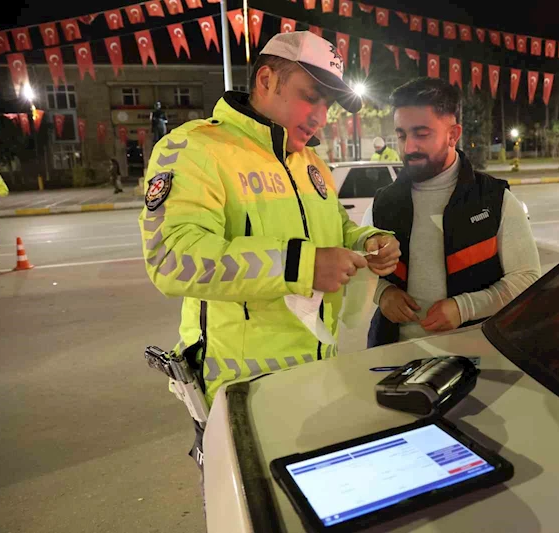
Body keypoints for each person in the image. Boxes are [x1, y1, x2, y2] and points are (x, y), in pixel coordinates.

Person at [138, 31, 401, 479]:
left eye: (328, 106)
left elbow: (337, 228)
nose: (321, 116)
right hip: (240, 395)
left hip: (316, 378)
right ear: (265, 79)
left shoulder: (310, 163)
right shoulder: (196, 149)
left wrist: (368, 241)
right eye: (310, 97)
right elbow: (171, 256)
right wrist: (303, 265)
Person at [362, 78, 541, 347]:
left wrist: (465, 308)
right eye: (401, 135)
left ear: (453, 134)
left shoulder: (494, 200)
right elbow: (360, 270)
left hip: (479, 353)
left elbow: (527, 279)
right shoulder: (382, 204)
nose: (409, 147)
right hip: (392, 353)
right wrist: (383, 294)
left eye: (422, 134)